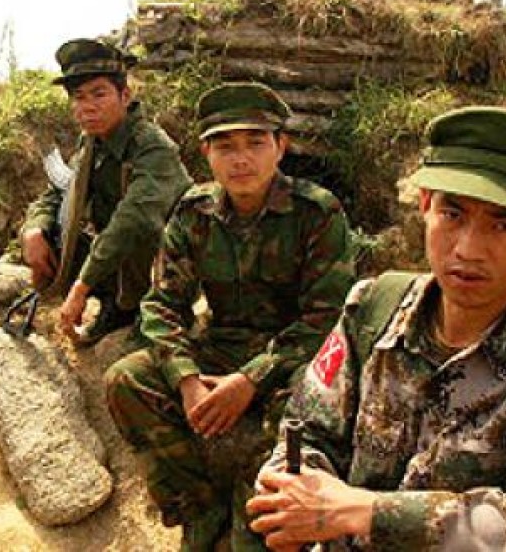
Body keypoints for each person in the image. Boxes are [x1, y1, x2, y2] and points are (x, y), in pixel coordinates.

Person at [246, 107, 506, 551]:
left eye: (504, 225)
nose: (468, 249)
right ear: (426, 204)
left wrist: (368, 513)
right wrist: (290, 490)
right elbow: (309, 431)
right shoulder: (372, 307)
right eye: (453, 214)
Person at [106, 82, 356, 550]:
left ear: (280, 147)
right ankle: (198, 505)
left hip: (290, 357)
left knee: (301, 411)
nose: (241, 159)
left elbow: (327, 319)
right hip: (219, 344)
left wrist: (249, 381)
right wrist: (185, 379)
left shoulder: (318, 213)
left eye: (255, 143)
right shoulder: (194, 211)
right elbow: (161, 306)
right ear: (206, 153)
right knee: (126, 379)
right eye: (226, 146)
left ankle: (256, 518)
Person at [20, 38, 192, 346]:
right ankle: (119, 307)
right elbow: (58, 192)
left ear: (124, 96)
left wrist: (82, 287)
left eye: (99, 94)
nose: (87, 106)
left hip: (170, 263)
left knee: (136, 235)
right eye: (78, 97)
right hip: (125, 260)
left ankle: (159, 313)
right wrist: (34, 229)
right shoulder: (91, 144)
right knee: (58, 234)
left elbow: (134, 220)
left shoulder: (151, 146)